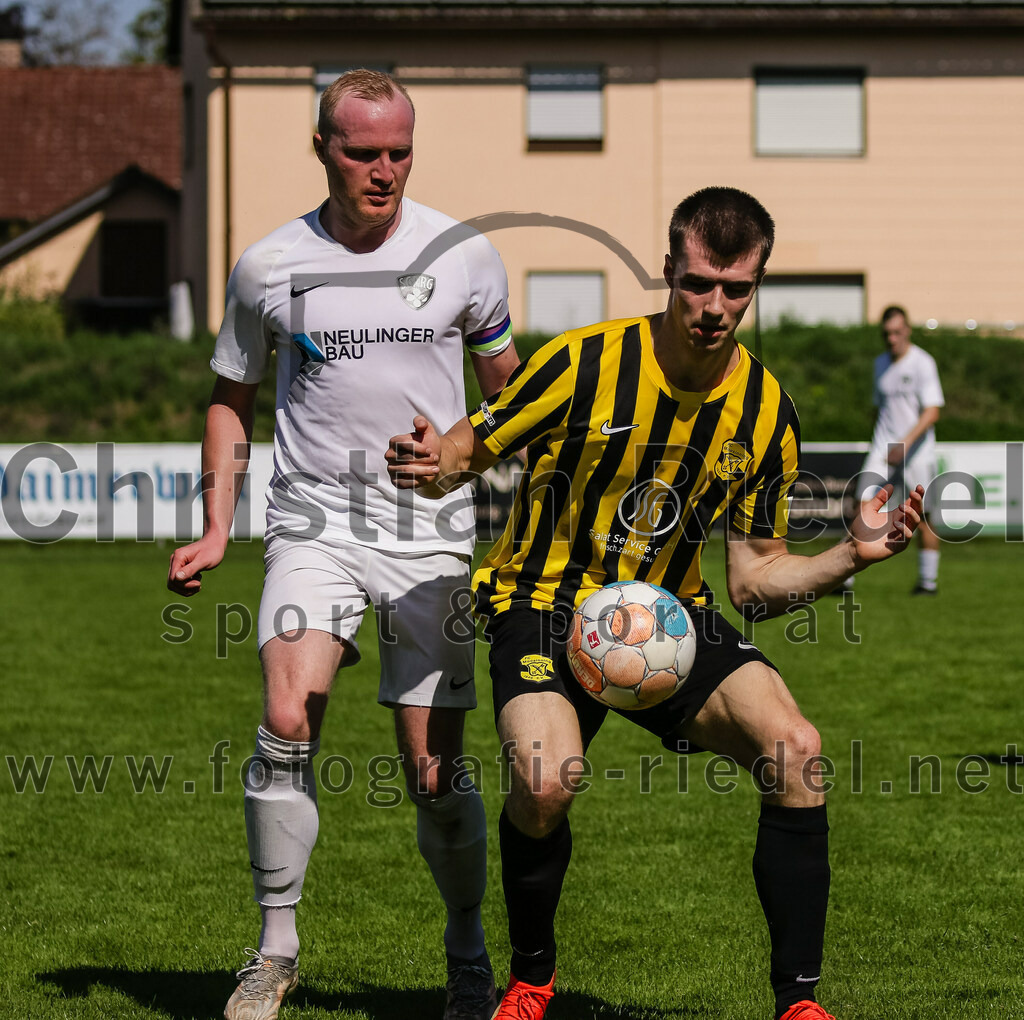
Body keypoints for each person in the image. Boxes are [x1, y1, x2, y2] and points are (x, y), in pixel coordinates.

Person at [387, 187, 924, 1020]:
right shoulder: (584, 361)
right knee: (545, 779)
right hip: (543, 601)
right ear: (668, 270)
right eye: (699, 283)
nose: (714, 307)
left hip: (668, 616)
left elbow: (754, 579)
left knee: (797, 751)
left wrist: (850, 557)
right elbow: (470, 445)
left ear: (757, 286)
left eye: (735, 289)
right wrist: (434, 460)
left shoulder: (767, 411)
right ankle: (530, 981)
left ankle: (799, 1003)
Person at [167, 69, 519, 1020]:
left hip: (430, 533)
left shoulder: (465, 255)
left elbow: (513, 400)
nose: (385, 170)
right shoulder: (267, 265)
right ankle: (275, 951)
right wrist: (214, 525)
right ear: (320, 147)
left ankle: (467, 950)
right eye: (363, 151)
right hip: (313, 521)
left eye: (400, 151)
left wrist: (460, 460)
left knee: (434, 775)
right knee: (286, 720)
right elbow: (230, 399)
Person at [858, 305, 944, 594]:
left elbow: (932, 412)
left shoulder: (923, 363)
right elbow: (880, 409)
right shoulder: (880, 364)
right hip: (883, 448)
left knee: (926, 516)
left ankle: (927, 582)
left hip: (916, 451)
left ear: (907, 330)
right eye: (887, 333)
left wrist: (904, 445)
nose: (892, 338)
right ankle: (844, 578)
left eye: (897, 332)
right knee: (859, 503)